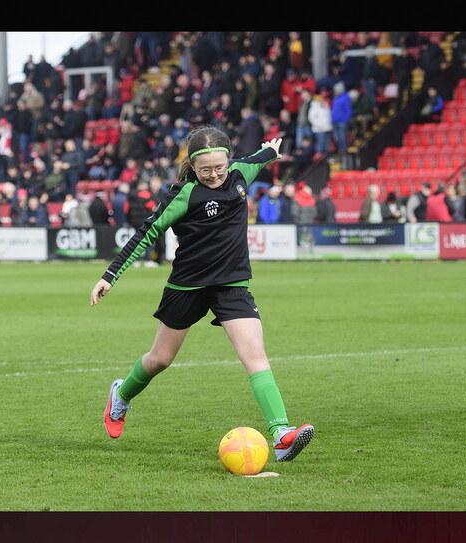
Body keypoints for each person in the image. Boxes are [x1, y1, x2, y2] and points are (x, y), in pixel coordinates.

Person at [90, 125, 314, 463]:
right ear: (192, 166)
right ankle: (121, 394)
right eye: (205, 169)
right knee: (160, 359)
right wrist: (110, 275)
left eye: (219, 167)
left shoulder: (240, 174)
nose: (214, 175)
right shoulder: (184, 194)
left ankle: (282, 434)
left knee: (255, 356)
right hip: (187, 286)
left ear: (228, 160)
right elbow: (147, 232)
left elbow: (260, 158)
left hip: (232, 285)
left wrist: (272, 150)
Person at [330, 82, 352, 153]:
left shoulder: (345, 98)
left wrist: (345, 120)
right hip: (335, 121)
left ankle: (344, 153)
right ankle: (340, 152)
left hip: (342, 122)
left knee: (342, 139)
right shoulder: (336, 98)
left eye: (336, 90)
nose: (334, 91)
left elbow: (348, 111)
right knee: (337, 139)